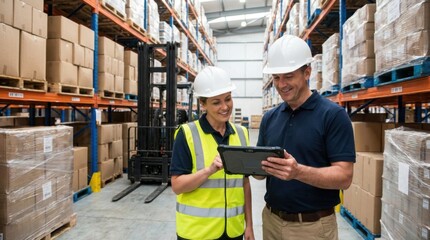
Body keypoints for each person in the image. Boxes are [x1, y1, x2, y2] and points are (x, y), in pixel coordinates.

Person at [256, 34, 355, 239]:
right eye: (276, 77)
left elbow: (344, 177)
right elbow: (261, 171)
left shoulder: (333, 116)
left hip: (312, 227)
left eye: (289, 76)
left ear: (307, 72)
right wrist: (244, 164)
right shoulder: (270, 118)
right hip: (271, 221)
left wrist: (298, 172)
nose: (281, 84)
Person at [170, 66, 255, 240]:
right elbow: (177, 186)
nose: (225, 107)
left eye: (228, 99)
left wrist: (250, 226)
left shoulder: (241, 134)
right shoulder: (187, 134)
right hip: (197, 233)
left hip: (233, 231)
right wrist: (208, 171)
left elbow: (244, 183)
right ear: (203, 104)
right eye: (216, 102)